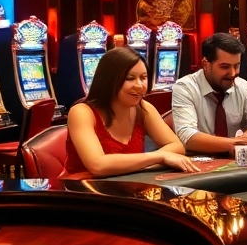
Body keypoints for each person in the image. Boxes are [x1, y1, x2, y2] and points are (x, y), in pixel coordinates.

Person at [66, 47, 197, 176]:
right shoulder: (82, 112)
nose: (139, 85)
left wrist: (153, 158)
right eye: (130, 78)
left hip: (129, 185)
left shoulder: (143, 108)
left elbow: (177, 147)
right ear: (109, 80)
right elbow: (98, 165)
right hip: (81, 191)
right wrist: (160, 156)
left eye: (143, 77)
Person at [171, 32, 247, 156]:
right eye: (225, 67)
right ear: (205, 64)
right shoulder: (185, 88)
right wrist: (235, 143)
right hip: (198, 164)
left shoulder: (243, 87)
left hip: (236, 163)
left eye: (236, 66)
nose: (233, 73)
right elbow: (188, 137)